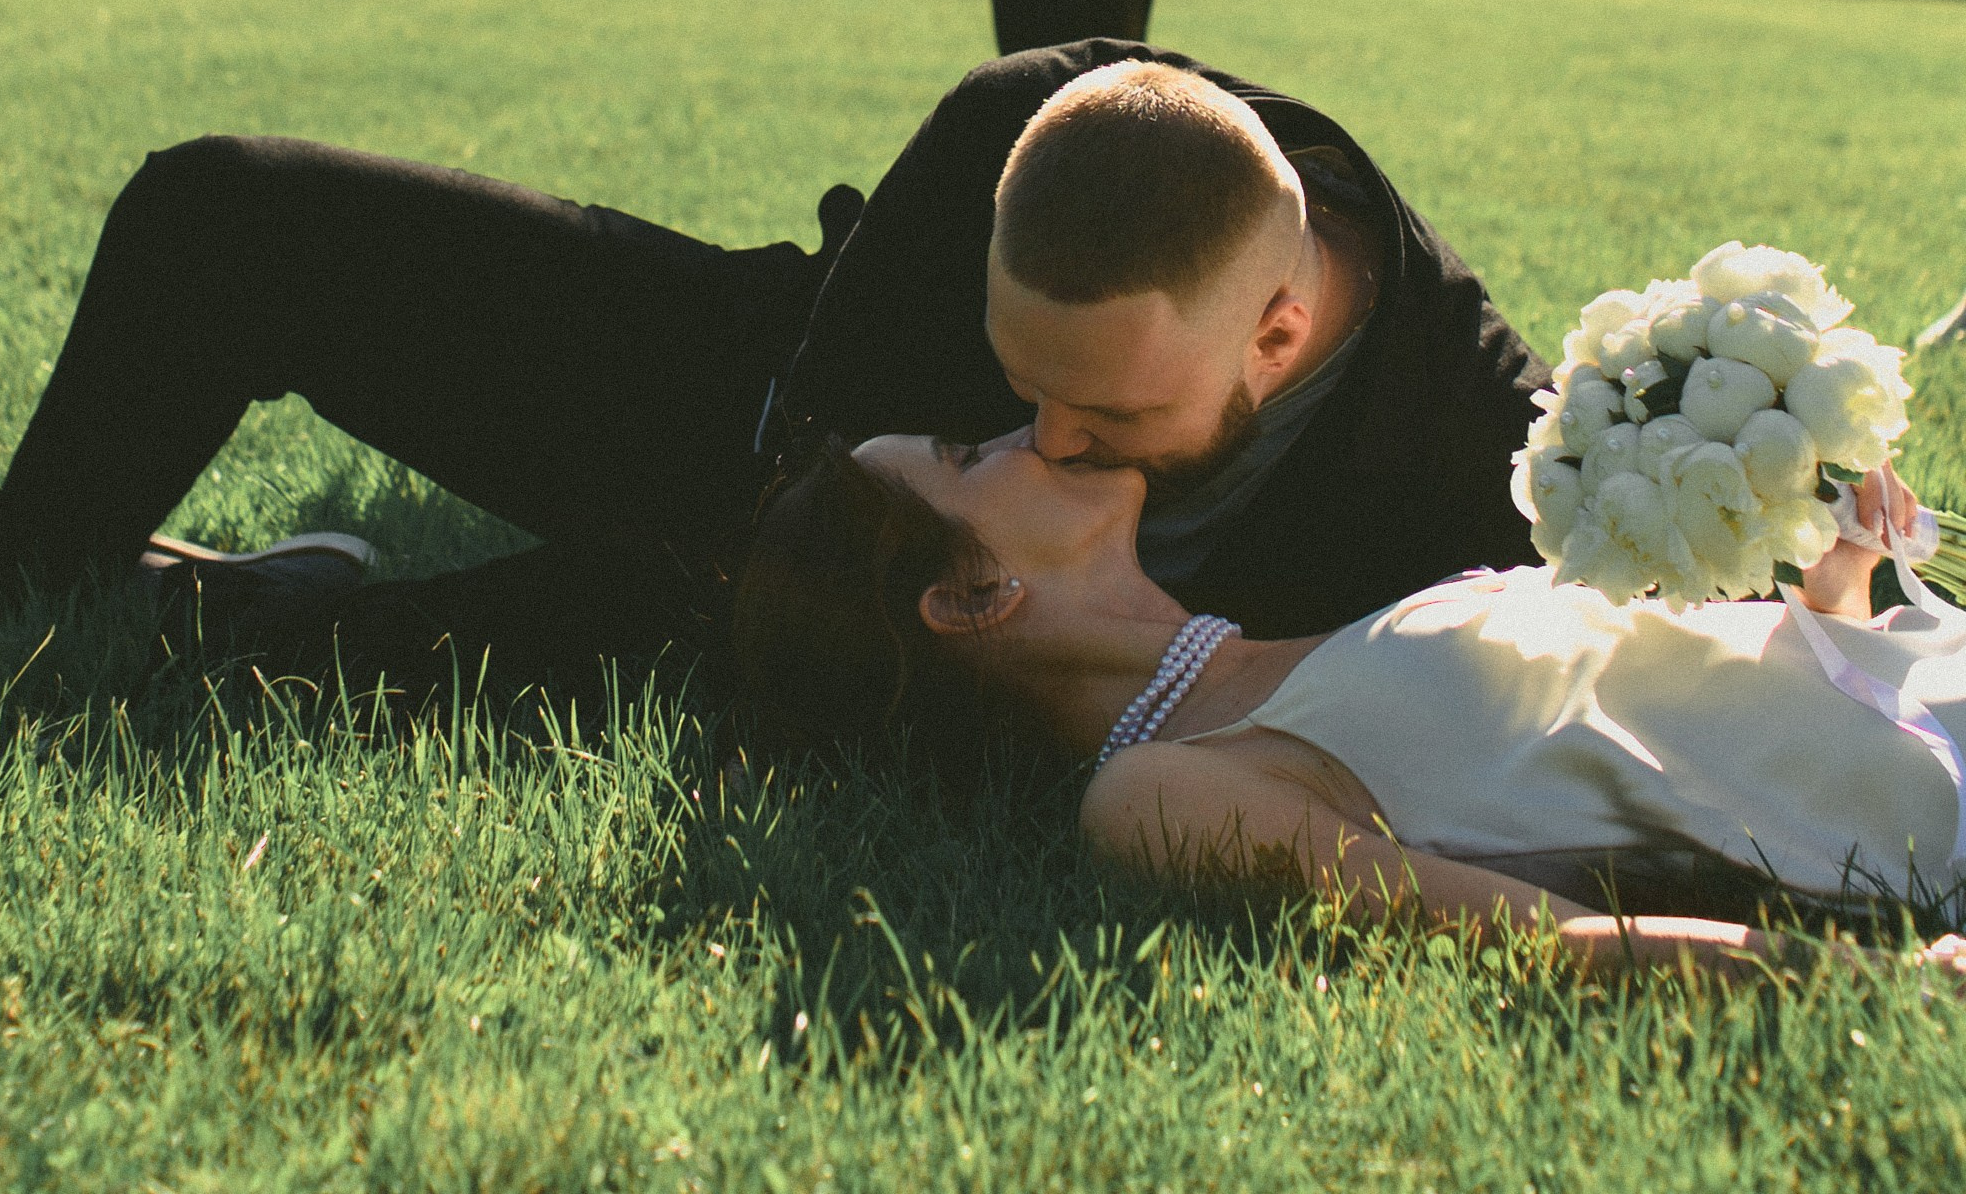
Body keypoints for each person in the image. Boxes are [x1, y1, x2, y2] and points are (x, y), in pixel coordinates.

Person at [0, 45, 1546, 693]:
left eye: (1117, 418)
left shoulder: (1471, 454)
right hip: (738, 427)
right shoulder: (1040, 123)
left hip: (828, 648)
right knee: (223, 210)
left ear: (1277, 333)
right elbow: (782, 492)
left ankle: (250, 617)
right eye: (1025, 386)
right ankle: (46, 568)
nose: (1051, 439)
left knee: (643, 636)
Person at [734, 429, 1966, 979]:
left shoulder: (1291, 634)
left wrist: (1835, 578)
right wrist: (1878, 988)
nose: (1023, 432)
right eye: (967, 455)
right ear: (967, 595)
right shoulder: (1161, 784)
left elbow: (1692, 704)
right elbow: (1543, 938)